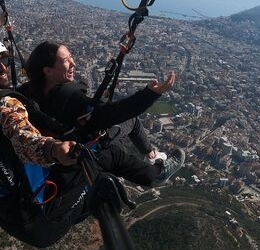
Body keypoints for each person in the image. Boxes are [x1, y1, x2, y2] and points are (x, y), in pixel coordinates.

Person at [0, 36, 91, 248]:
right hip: (44, 220)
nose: (3, 68)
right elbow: (23, 137)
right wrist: (54, 149)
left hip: (13, 219)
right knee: (100, 158)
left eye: (6, 61)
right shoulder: (6, 103)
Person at [19, 40, 185, 188]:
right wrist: (149, 95)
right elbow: (112, 113)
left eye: (71, 57)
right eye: (65, 60)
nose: (73, 63)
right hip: (86, 145)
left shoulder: (26, 91)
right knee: (125, 131)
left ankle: (151, 157)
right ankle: (156, 169)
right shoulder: (70, 98)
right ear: (47, 70)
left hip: (60, 142)